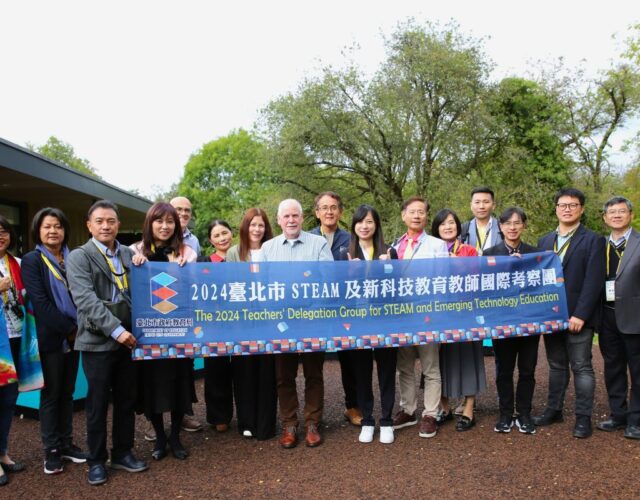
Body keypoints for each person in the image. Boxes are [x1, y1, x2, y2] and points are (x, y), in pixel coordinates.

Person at [67, 200, 148, 485]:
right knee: (97, 404)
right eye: (99, 221)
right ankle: (97, 460)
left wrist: (143, 264)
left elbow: (141, 289)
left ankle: (123, 452)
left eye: (111, 221)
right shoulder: (79, 256)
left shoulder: (129, 254)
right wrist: (116, 330)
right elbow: (86, 300)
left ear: (118, 224)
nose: (105, 226)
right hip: (99, 342)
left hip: (130, 340)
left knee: (126, 400)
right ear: (89, 225)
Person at [533, 188, 605, 438]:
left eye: (573, 205)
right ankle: (554, 410)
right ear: (556, 208)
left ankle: (583, 418)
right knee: (555, 365)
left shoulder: (593, 239)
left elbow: (594, 281)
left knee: (582, 367)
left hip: (577, 317)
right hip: (551, 316)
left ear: (581, 209)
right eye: (562, 204)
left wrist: (581, 315)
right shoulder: (544, 240)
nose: (567, 209)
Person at [262, 199, 333, 448]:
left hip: (313, 319)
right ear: (278, 220)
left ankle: (313, 422)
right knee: (284, 375)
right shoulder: (267, 249)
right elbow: (262, 287)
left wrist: (312, 313)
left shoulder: (318, 244)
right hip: (281, 323)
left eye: (295, 215)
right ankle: (289, 424)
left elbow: (329, 281)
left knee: (314, 373)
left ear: (303, 218)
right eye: (286, 216)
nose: (291, 220)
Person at [22, 208, 87, 475]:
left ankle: (67, 444)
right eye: (47, 226)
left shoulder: (73, 258)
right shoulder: (32, 260)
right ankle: (51, 451)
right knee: (50, 395)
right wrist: (70, 329)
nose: (53, 231)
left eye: (58, 226)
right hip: (52, 338)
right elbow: (41, 303)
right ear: (38, 231)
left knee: (68, 392)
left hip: (76, 336)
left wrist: (77, 330)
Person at [130, 203, 197, 460]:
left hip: (179, 331)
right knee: (152, 385)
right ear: (150, 223)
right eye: (159, 221)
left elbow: (196, 286)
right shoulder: (135, 251)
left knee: (179, 383)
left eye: (170, 222)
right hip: (149, 333)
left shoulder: (186, 251)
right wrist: (136, 265)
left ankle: (176, 437)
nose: (165, 226)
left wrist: (188, 268)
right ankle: (159, 437)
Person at [392, 196, 448, 439]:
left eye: (421, 212)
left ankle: (430, 413)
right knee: (404, 366)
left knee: (430, 366)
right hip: (402, 315)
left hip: (427, 314)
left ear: (426, 216)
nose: (416, 216)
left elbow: (444, 280)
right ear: (403, 215)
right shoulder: (395, 245)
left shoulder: (437, 245)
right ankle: (408, 409)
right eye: (412, 211)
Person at [483, 208, 539, 435]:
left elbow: (541, 289)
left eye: (517, 223)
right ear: (501, 227)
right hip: (501, 322)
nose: (513, 227)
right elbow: (483, 288)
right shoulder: (489, 254)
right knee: (503, 370)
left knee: (527, 370)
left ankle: (524, 413)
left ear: (524, 225)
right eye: (508, 223)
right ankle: (505, 413)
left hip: (529, 322)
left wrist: (523, 267)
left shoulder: (535, 254)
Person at [431, 208, 486, 432]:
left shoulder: (469, 251)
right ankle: (443, 407)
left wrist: (458, 265)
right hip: (437, 313)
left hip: (465, 313)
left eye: (452, 223)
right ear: (436, 228)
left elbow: (479, 281)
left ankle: (469, 408)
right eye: (443, 223)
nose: (448, 227)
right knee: (437, 360)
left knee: (468, 358)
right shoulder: (430, 250)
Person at [347, 205, 398, 444]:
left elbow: (399, 290)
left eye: (369, 222)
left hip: (385, 320)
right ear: (354, 225)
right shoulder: (343, 253)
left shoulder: (389, 252)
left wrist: (388, 269)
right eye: (360, 222)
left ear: (376, 225)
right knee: (362, 371)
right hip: (358, 322)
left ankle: (386, 420)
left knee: (387, 370)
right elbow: (338, 291)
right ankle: (368, 419)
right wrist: (350, 273)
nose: (364, 226)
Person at [310, 191, 361, 426]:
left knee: (351, 359)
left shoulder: (352, 239)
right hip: (315, 309)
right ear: (316, 212)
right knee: (313, 362)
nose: (329, 212)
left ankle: (353, 406)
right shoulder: (307, 239)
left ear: (340, 212)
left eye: (333, 207)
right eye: (324, 208)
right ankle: (314, 415)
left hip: (345, 309)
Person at [226, 208, 277, 440]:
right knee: (244, 370)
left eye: (261, 225)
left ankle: (266, 424)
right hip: (243, 321)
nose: (257, 229)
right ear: (245, 227)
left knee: (267, 372)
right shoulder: (234, 253)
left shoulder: (274, 250)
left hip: (269, 321)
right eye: (252, 225)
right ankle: (246, 421)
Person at [596, 196, 640, 440]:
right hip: (607, 316)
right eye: (611, 212)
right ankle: (618, 414)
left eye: (621, 211)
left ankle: (636, 419)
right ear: (605, 218)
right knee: (613, 368)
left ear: (630, 215)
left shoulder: (639, 242)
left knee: (637, 370)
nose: (616, 215)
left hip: (635, 316)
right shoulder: (599, 244)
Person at [167, 196, 202, 435]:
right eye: (178, 209)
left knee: (185, 366)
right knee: (160, 368)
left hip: (186, 310)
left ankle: (184, 414)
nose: (183, 213)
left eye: (187, 210)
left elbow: (195, 275)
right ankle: (156, 417)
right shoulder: (155, 234)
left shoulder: (194, 241)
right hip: (160, 312)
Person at [198, 220, 234, 432]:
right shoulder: (203, 262)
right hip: (214, 324)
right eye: (217, 235)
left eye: (225, 233)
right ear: (211, 240)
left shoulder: (243, 259)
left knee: (241, 371)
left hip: (241, 323)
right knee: (215, 370)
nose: (222, 238)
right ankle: (219, 416)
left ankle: (246, 414)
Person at [461, 187, 503, 357]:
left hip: (495, 284)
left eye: (486, 202)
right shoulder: (462, 229)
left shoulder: (503, 227)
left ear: (493, 205)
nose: (481, 206)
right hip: (469, 287)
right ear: (471, 205)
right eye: (477, 202)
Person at [0, 215, 26, 486]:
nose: (1, 235)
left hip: (16, 336)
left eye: (4, 231)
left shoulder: (16, 263)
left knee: (9, 399)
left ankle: (3, 452)